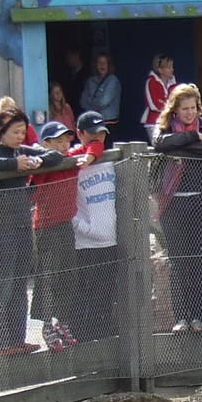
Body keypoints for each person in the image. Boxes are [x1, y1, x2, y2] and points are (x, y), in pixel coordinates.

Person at [0, 109, 62, 356]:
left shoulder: (22, 150)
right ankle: (2, 343)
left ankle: (18, 339)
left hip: (23, 225)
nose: (20, 136)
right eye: (15, 131)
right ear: (1, 131)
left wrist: (37, 161)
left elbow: (55, 155)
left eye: (23, 131)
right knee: (3, 286)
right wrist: (15, 165)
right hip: (2, 228)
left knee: (21, 284)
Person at [151, 83, 202, 333]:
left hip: (200, 200)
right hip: (173, 203)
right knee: (179, 261)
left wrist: (180, 145)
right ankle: (182, 317)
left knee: (201, 259)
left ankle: (199, 318)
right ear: (175, 109)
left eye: (193, 108)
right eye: (185, 109)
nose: (190, 113)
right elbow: (160, 144)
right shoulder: (165, 128)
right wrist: (192, 137)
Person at [29, 119, 82, 351]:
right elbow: (31, 188)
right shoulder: (45, 165)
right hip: (46, 226)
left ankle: (62, 320)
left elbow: (91, 149)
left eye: (65, 141)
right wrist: (45, 158)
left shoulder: (70, 161)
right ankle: (46, 324)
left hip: (65, 224)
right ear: (46, 143)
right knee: (47, 276)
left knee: (67, 274)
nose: (63, 145)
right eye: (57, 142)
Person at [68, 112, 116, 342]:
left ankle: (103, 344)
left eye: (102, 133)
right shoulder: (73, 160)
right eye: (92, 133)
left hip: (110, 240)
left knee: (105, 296)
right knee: (83, 296)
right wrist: (82, 227)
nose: (98, 138)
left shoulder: (112, 158)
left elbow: (96, 148)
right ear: (80, 134)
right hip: (85, 241)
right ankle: (82, 344)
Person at [80, 52, 121, 128]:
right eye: (99, 62)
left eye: (105, 62)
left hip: (108, 122)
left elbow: (103, 102)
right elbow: (83, 102)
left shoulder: (113, 80)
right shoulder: (90, 81)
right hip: (93, 121)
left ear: (109, 65)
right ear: (95, 65)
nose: (102, 65)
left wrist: (91, 102)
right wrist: (95, 104)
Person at [141, 53, 176, 130]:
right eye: (169, 67)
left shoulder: (173, 83)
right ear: (160, 70)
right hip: (154, 122)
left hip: (171, 122)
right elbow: (154, 104)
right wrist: (171, 107)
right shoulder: (151, 82)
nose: (172, 69)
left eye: (172, 67)